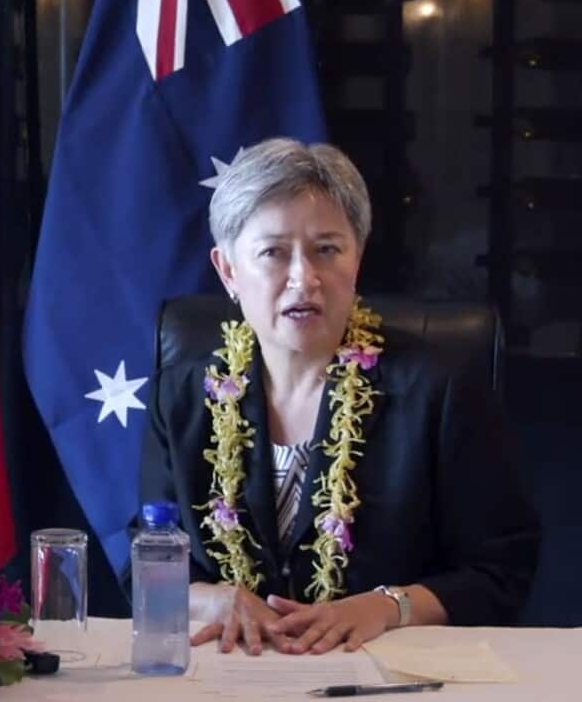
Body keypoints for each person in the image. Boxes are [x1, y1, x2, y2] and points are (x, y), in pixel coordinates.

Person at [140, 138, 538, 656]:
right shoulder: (184, 396)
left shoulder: (439, 390)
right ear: (228, 271)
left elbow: (501, 570)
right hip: (229, 668)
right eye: (273, 253)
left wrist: (388, 607)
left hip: (388, 673)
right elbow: (146, 558)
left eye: (327, 249)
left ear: (358, 257)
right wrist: (211, 599)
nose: (304, 278)